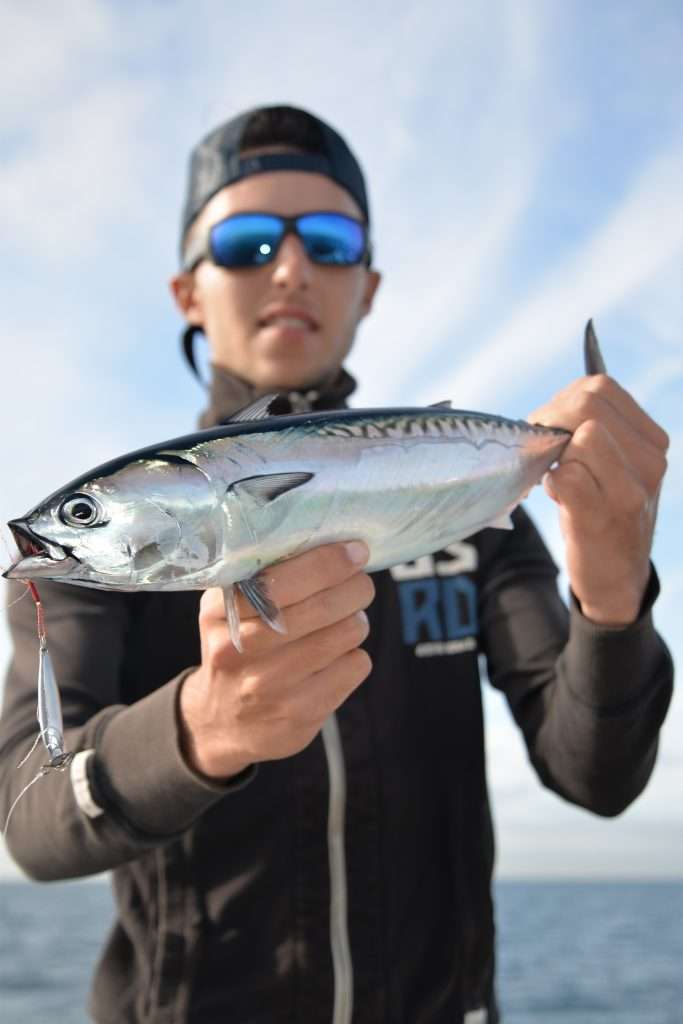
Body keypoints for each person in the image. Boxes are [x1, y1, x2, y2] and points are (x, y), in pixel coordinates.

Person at [0, 105, 673, 1024]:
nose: (289, 267)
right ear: (187, 291)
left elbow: (596, 775)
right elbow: (31, 818)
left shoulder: (476, 520)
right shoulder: (96, 569)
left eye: (328, 241)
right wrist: (201, 730)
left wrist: (612, 594)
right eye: (243, 243)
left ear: (368, 286)